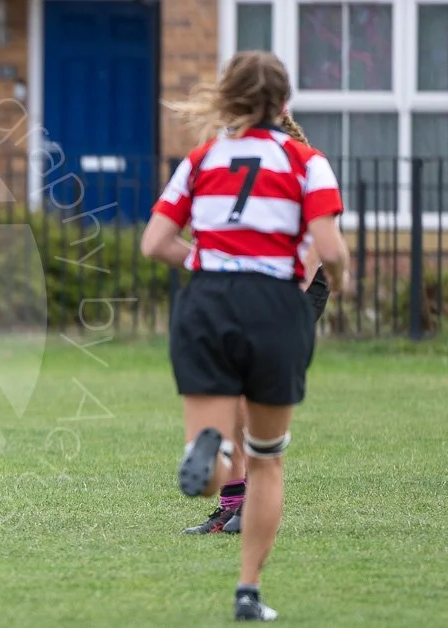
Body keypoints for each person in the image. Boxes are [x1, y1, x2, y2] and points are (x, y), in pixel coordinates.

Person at [140, 50, 351, 621]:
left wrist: (207, 262)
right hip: (273, 306)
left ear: (227, 99)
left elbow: (154, 242)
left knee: (213, 451)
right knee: (267, 459)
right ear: (284, 104)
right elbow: (328, 250)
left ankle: (208, 458)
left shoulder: (202, 159)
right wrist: (345, 274)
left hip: (206, 301)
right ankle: (248, 593)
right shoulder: (308, 162)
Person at [182, 113, 334, 536]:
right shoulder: (240, 175)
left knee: (250, 398)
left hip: (293, 291)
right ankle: (231, 508)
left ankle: (252, 502)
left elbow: (311, 259)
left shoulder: (302, 169)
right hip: (252, 290)